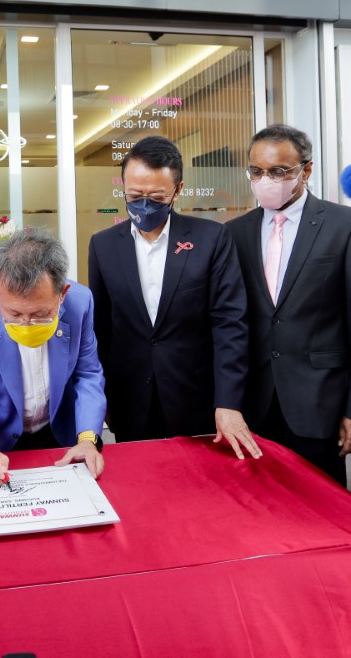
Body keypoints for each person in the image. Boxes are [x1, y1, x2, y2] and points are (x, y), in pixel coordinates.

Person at [225, 125, 351, 486]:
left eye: (279, 171)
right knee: (258, 502)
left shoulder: (344, 225)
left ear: (305, 171)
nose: (266, 180)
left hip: (319, 402)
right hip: (254, 402)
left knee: (320, 507)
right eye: (257, 171)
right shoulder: (235, 233)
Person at [87, 135, 260, 459]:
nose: (144, 205)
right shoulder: (104, 245)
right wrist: (102, 398)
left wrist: (228, 401)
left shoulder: (211, 239)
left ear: (177, 191)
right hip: (130, 399)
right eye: (135, 195)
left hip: (196, 398)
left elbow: (229, 324)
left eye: (156, 197)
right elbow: (100, 330)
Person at [0, 227, 106, 485]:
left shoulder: (80, 304)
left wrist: (87, 439)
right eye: (14, 314)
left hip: (57, 436)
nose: (27, 323)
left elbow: (88, 375)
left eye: (40, 313)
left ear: (62, 294)